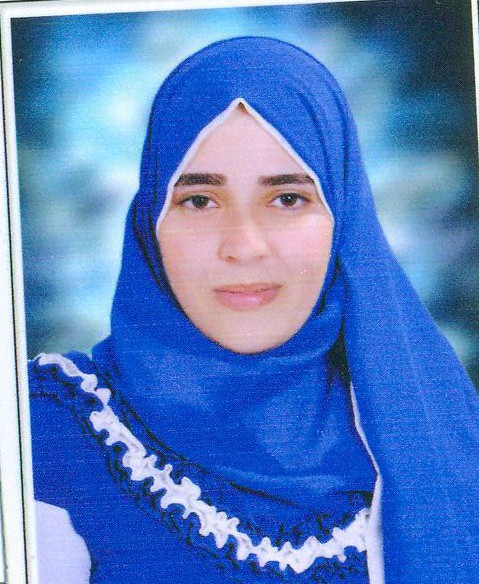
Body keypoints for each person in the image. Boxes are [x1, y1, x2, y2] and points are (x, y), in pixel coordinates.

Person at [28, 37, 479, 584]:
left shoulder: (435, 431)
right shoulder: (48, 430)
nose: (243, 246)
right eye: (199, 200)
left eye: (287, 198)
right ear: (151, 220)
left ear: (344, 219)